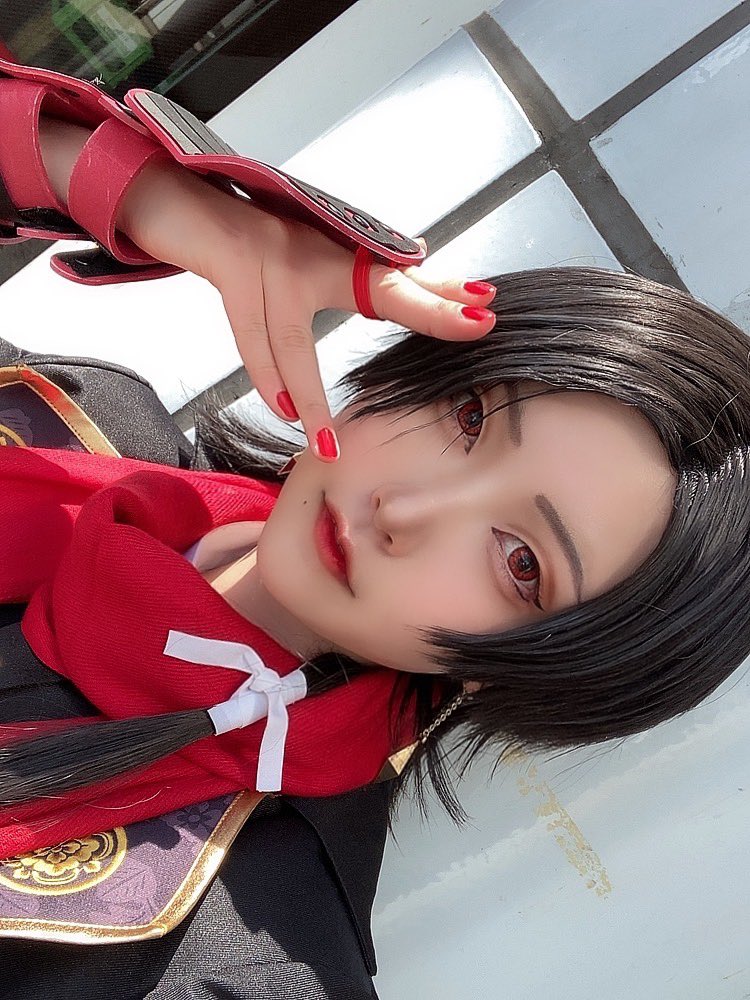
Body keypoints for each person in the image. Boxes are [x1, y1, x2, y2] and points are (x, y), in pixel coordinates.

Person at [0, 59, 749, 999]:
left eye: (521, 561)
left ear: (530, 672)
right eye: (469, 417)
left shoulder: (244, 957)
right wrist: (128, 182)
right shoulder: (81, 420)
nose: (404, 509)